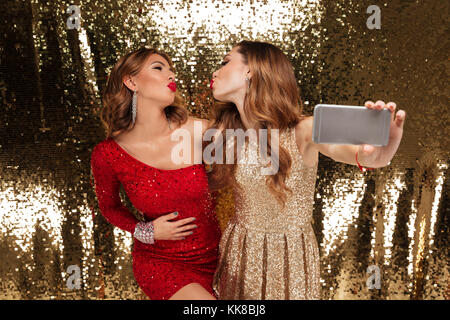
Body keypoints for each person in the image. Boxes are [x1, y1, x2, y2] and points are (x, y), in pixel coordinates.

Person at [207, 40, 406, 299]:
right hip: (240, 252)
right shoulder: (225, 133)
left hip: (291, 258)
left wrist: (380, 154)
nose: (215, 71)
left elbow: (359, 155)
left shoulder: (304, 130)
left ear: (251, 71)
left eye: (225, 62)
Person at [90, 47, 221, 300]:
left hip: (219, 257)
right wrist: (144, 230)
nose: (170, 75)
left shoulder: (198, 131)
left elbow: (249, 161)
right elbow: (109, 207)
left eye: (171, 70)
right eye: (159, 68)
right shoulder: (108, 153)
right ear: (131, 81)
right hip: (162, 263)